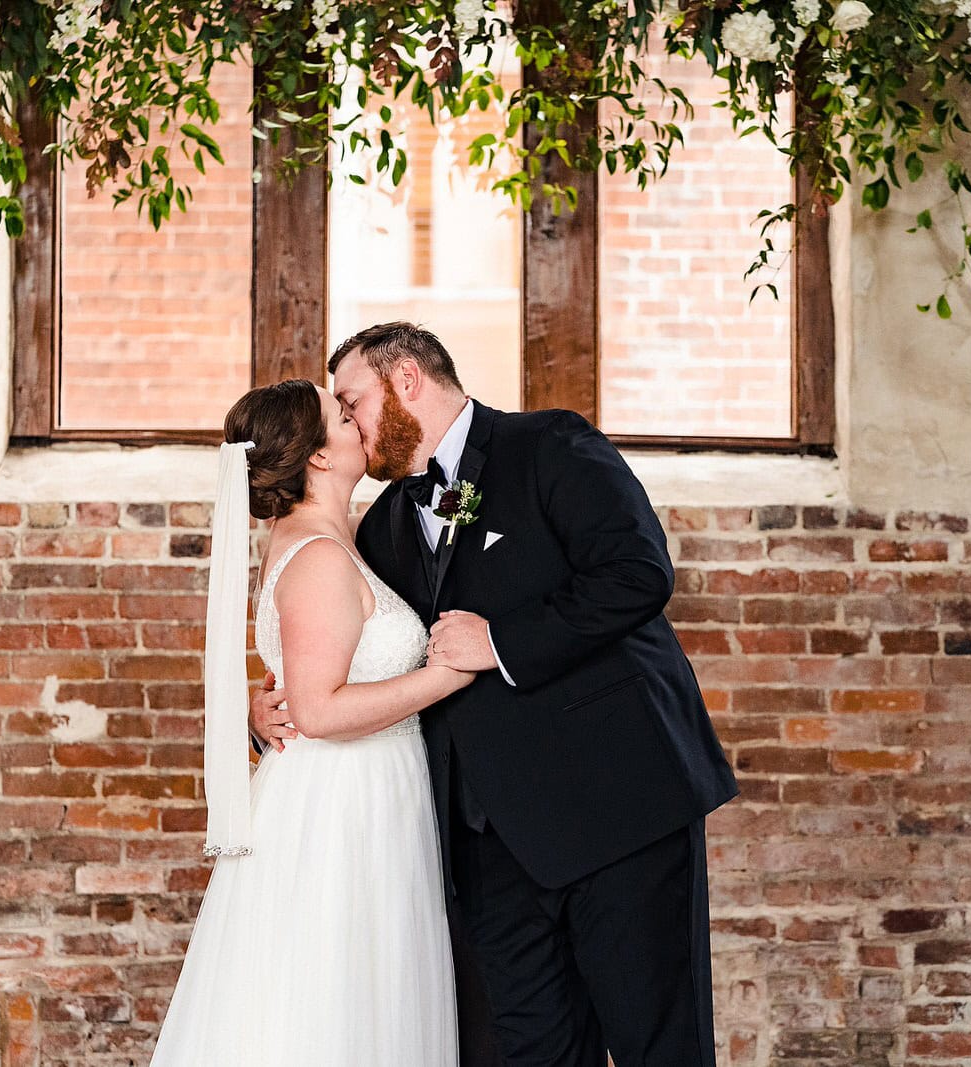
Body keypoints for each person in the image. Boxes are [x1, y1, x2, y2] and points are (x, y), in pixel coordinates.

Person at [251, 322, 740, 1067]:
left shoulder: (549, 446)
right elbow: (344, 656)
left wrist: (501, 641)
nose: (350, 421)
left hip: (619, 813)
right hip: (487, 852)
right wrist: (274, 709)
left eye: (354, 401)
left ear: (406, 380)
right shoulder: (377, 529)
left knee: (660, 1049)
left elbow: (637, 572)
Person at [149, 377, 472, 1066]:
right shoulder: (320, 556)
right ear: (318, 457)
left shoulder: (330, 536)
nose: (356, 417)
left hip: (361, 790)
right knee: (338, 992)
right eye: (341, 413)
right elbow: (320, 709)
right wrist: (445, 675)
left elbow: (303, 682)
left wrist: (264, 704)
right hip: (343, 806)